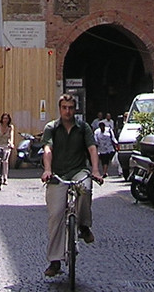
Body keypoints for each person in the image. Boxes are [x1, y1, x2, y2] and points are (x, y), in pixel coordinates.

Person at [41, 93, 103, 278]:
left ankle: (83, 226)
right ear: (59, 109)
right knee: (56, 215)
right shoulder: (51, 128)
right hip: (57, 174)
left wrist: (95, 170)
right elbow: (47, 149)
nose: (67, 111)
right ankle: (55, 261)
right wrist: (47, 170)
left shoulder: (83, 128)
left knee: (86, 188)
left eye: (70, 108)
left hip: (78, 170)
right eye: (64, 108)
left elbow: (92, 148)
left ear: (75, 109)